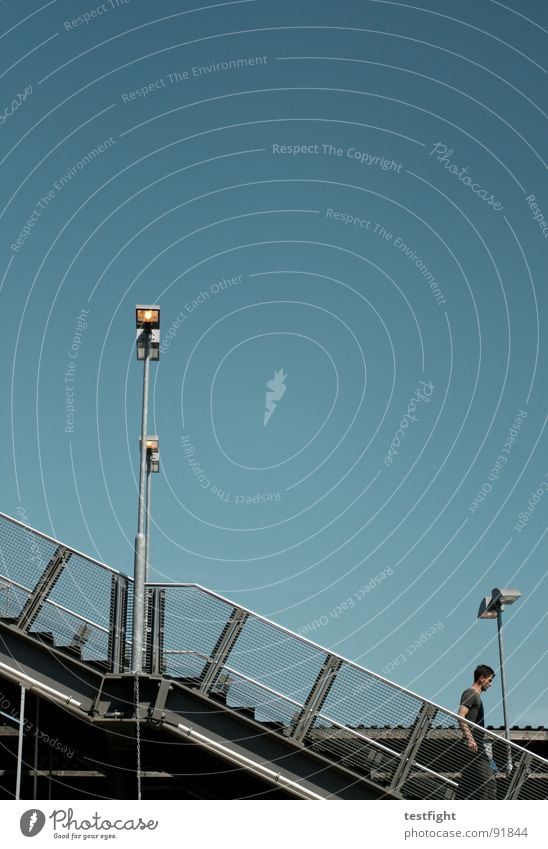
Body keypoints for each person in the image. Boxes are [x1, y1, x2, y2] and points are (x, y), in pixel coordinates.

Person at [456, 664, 497, 799]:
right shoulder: (470, 693)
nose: (490, 684)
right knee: (489, 783)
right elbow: (460, 716)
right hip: (473, 748)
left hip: (476, 746)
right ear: (481, 678)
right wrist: (470, 738)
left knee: (467, 787)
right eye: (489, 680)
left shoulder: (477, 697)